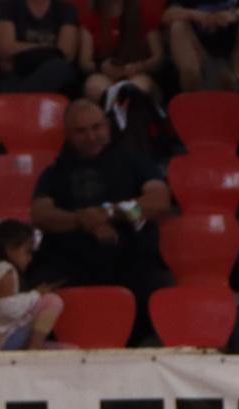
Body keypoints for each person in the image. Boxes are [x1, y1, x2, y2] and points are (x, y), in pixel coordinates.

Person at [30, 99, 174, 329]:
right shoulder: (55, 172)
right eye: (81, 131)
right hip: (70, 262)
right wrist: (80, 220)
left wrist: (110, 213)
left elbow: (159, 202)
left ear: (108, 125)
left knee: (159, 287)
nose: (91, 136)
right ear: (68, 135)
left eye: (96, 127)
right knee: (37, 289)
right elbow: (40, 214)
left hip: (130, 259)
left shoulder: (135, 162)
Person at [0, 219, 67, 350]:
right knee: (52, 301)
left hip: (0, 339)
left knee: (67, 349)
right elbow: (7, 309)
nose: (30, 258)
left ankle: (34, 349)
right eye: (27, 251)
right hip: (3, 338)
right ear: (9, 249)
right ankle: (34, 349)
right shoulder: (5, 269)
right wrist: (36, 295)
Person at [163, 0, 239, 95]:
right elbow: (168, 15)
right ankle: (192, 85)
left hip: (237, 54)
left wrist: (235, 14)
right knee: (178, 26)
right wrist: (194, 15)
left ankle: (237, 85)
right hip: (201, 55)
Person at [83, 0, 168, 105]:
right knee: (94, 87)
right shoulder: (90, 18)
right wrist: (101, 66)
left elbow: (158, 57)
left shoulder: (143, 12)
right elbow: (85, 62)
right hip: (105, 75)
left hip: (138, 72)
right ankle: (113, 112)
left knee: (137, 87)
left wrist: (138, 67)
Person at [0, 0, 86, 93]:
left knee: (59, 68)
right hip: (20, 73)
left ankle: (19, 97)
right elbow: (5, 49)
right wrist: (49, 48)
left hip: (55, 74)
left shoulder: (66, 10)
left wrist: (22, 51)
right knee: (5, 83)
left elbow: (66, 53)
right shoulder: (8, 5)